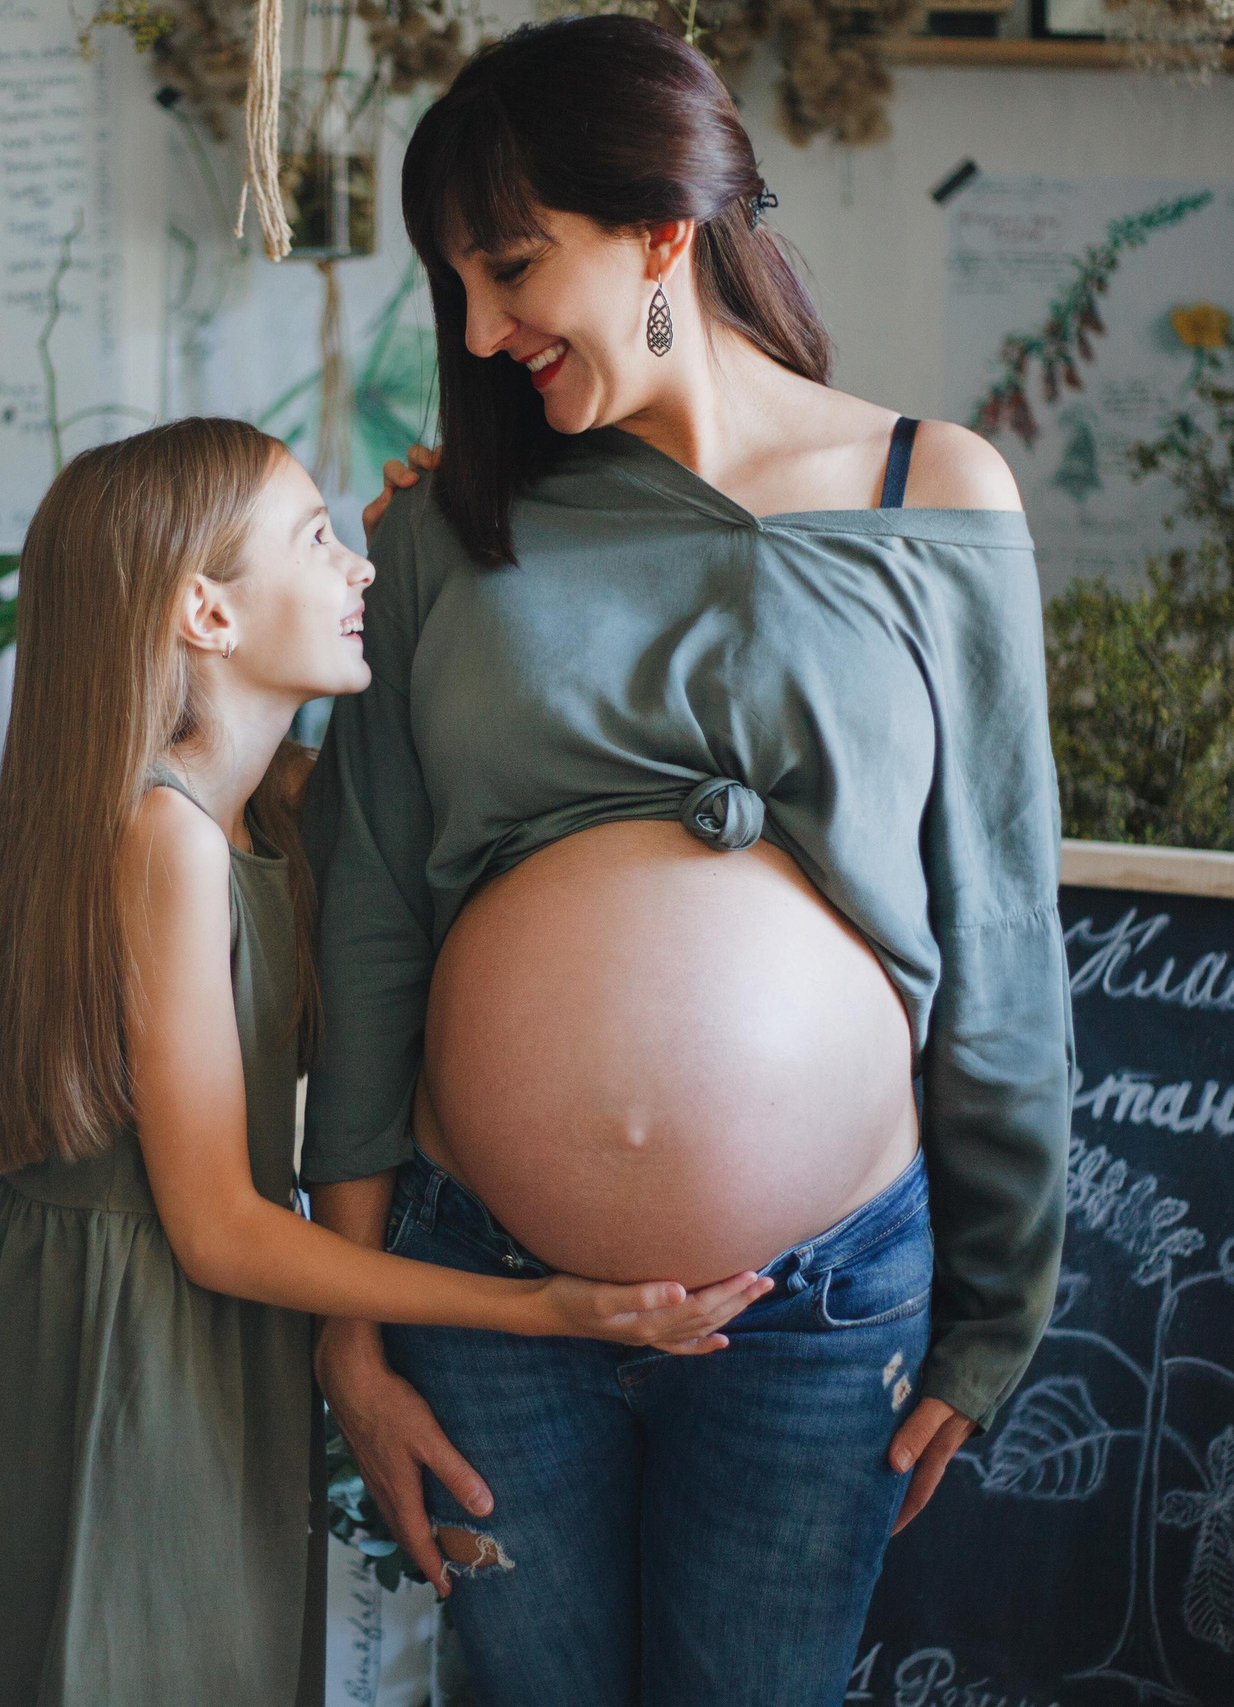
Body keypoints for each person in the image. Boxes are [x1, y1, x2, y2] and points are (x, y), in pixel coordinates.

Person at [302, 18, 1077, 1706]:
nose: (487, 331)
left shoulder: (933, 492)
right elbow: (363, 921)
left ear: (663, 226)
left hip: (825, 1305)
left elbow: (1000, 908)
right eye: (462, 289)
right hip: (482, 1280)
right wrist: (350, 1334)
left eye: (515, 268)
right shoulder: (447, 529)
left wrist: (1001, 1310)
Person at [0, 416, 772, 1707]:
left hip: (168, 1330)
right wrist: (544, 1307)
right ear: (204, 611)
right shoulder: (169, 841)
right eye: (319, 540)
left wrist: (462, 506)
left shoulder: (264, 809)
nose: (358, 570)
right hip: (135, 1345)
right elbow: (216, 1229)